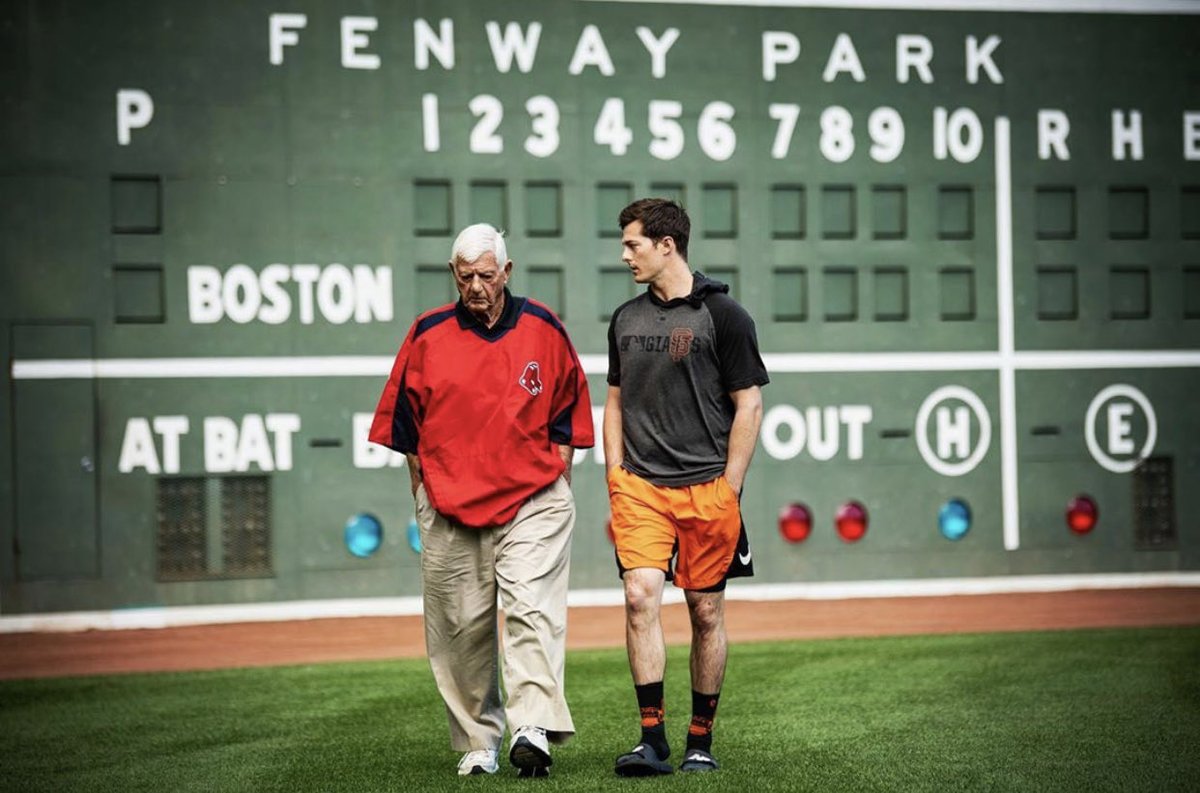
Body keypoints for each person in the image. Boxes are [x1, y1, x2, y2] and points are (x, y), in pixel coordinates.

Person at [368, 223, 594, 778]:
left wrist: (556, 482)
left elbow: (568, 417)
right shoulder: (427, 334)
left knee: (530, 608)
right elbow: (407, 432)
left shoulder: (543, 327)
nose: (476, 286)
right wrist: (425, 497)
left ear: (506, 272)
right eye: (465, 276)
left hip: (533, 499)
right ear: (453, 274)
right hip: (450, 505)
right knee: (459, 628)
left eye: (486, 276)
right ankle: (479, 740)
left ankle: (532, 727)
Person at [603, 198, 768, 776]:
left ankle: (701, 740)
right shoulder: (624, 319)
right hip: (641, 489)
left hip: (707, 490)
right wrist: (615, 473)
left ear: (666, 245)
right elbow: (615, 400)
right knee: (639, 595)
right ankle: (652, 740)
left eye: (633, 244)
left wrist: (730, 487)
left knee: (704, 611)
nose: (625, 255)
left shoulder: (725, 316)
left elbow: (749, 404)